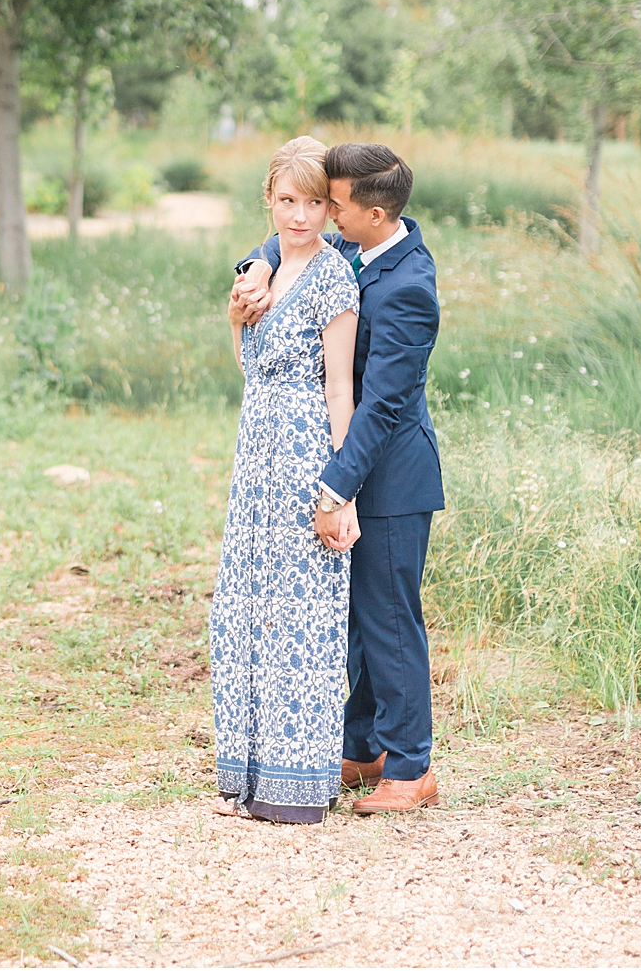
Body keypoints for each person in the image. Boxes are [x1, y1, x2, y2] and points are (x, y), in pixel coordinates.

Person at [228, 142, 446, 814]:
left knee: (388, 619)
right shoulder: (365, 248)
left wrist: (333, 486)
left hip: (388, 477)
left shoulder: (407, 286)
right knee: (349, 619)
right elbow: (289, 236)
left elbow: (380, 405)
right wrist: (258, 263)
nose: (323, 215)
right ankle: (362, 746)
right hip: (350, 465)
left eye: (336, 206)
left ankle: (411, 768)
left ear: (373, 213)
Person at [210, 136, 362, 824]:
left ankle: (295, 781)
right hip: (255, 453)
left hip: (305, 453)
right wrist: (237, 315)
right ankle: (246, 775)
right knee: (246, 604)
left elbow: (340, 390)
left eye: (313, 203)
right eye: (286, 201)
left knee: (302, 613)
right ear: (269, 201)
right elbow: (249, 367)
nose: (299, 216)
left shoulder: (335, 277)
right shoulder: (256, 270)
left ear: (331, 206)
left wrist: (341, 486)